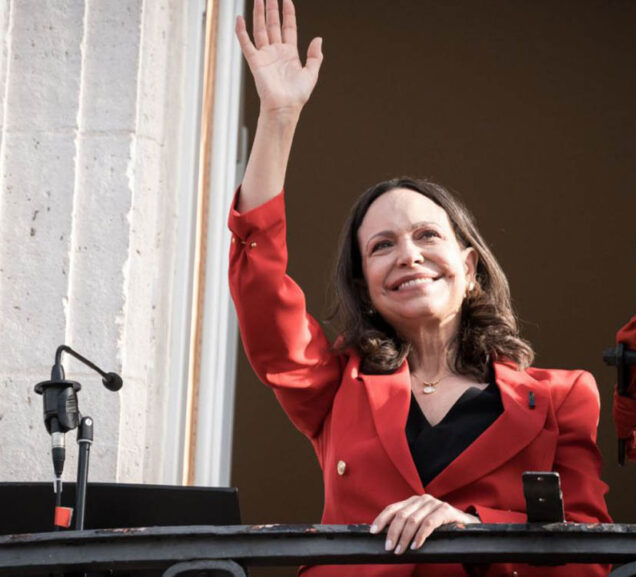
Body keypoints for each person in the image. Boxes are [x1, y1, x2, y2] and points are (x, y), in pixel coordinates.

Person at [228, 1, 611, 575]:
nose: (408, 255)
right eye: (381, 246)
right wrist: (279, 118)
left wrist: (476, 529)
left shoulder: (562, 397)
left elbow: (590, 553)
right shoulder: (335, 386)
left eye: (427, 235)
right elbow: (261, 287)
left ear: (470, 267)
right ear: (366, 286)